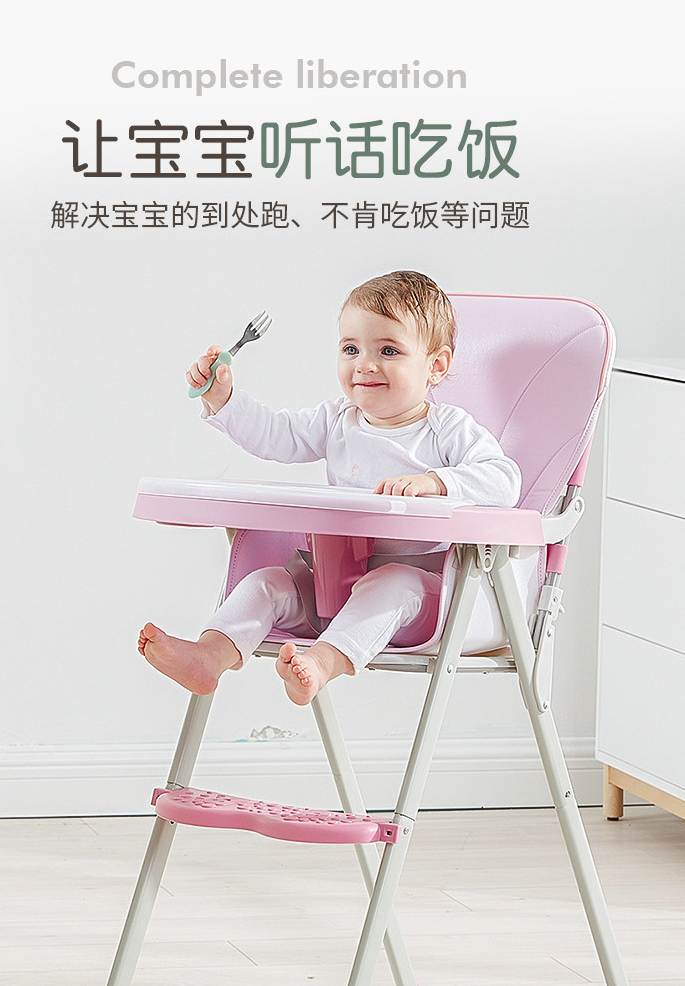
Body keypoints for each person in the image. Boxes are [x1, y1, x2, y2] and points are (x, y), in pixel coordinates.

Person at [139, 270, 521, 705]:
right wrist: (222, 398)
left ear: (436, 366)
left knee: (392, 581)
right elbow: (275, 435)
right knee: (266, 582)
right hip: (331, 587)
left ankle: (322, 663)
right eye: (351, 349)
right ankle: (209, 655)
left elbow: (504, 479)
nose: (365, 364)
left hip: (420, 598)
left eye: (388, 350)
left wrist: (436, 481)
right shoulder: (338, 420)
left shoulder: (446, 429)